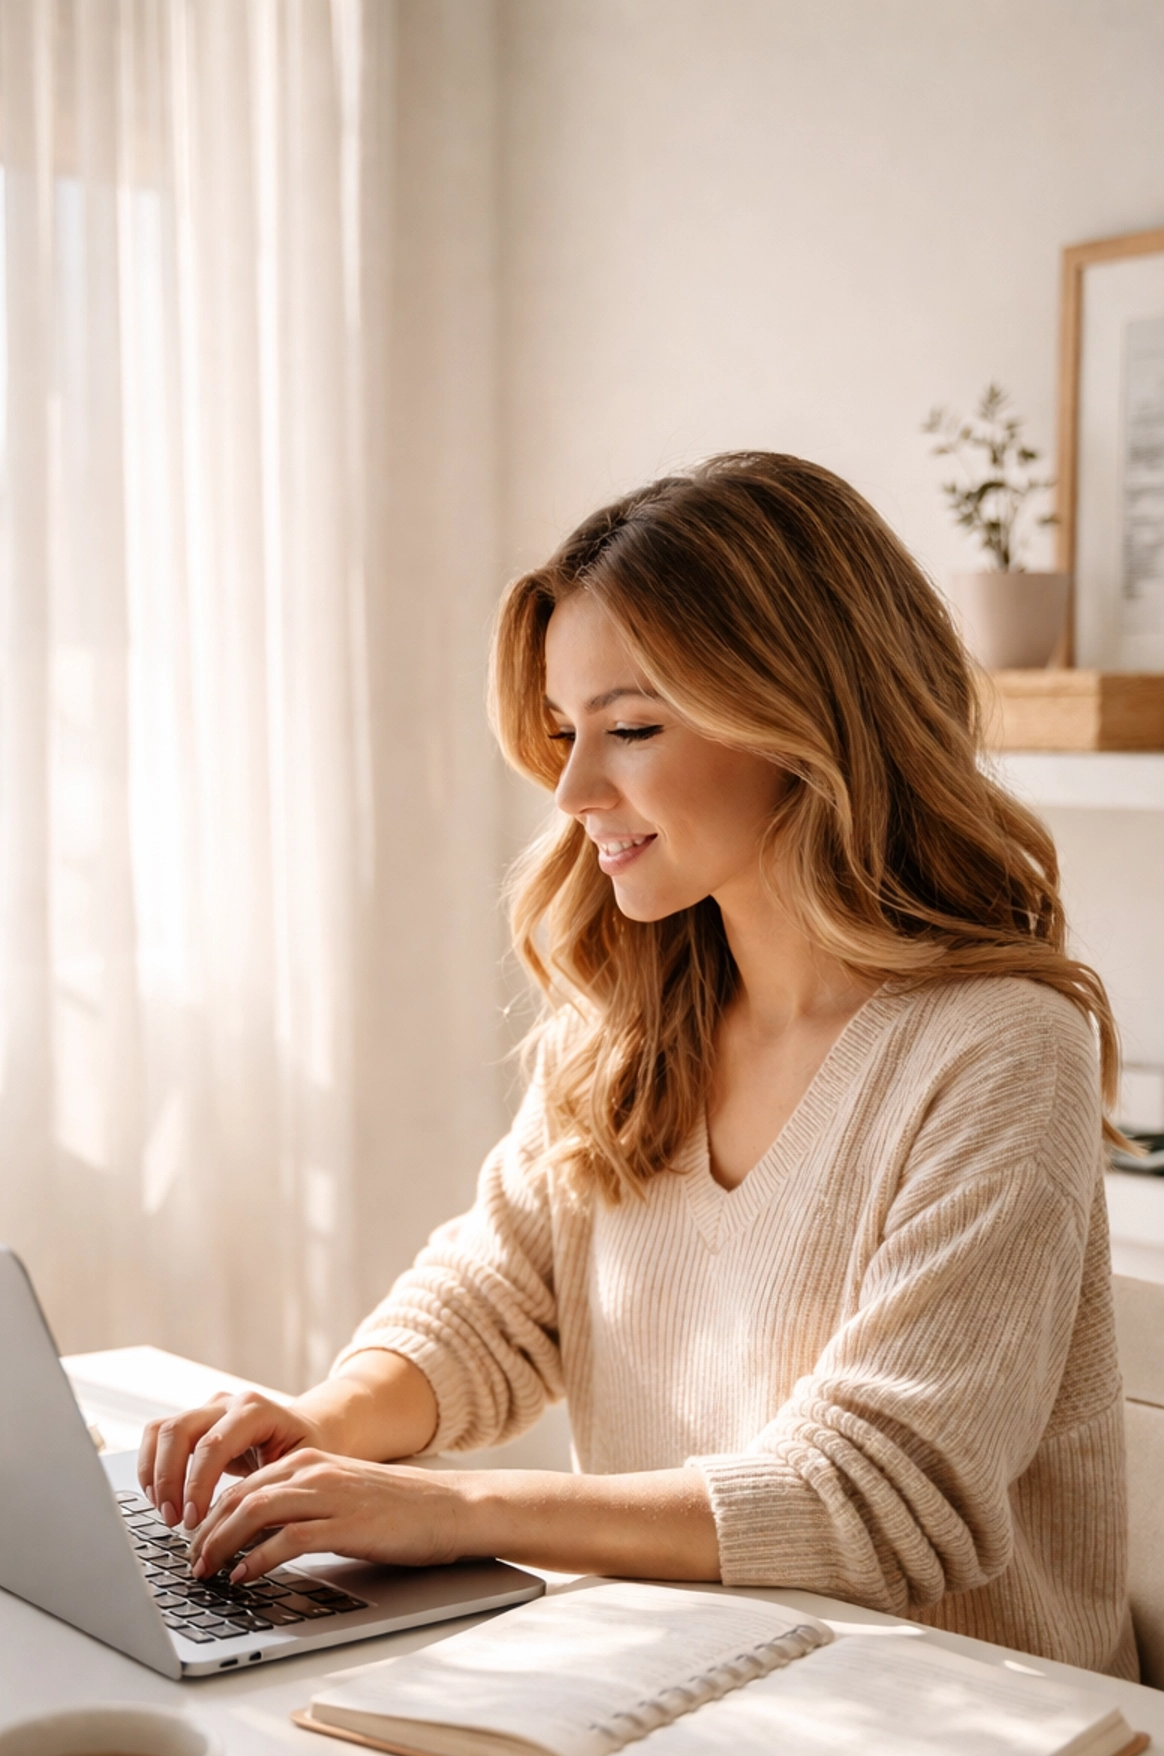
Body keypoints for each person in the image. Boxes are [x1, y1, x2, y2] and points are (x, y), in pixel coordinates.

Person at [140, 452, 1137, 1678]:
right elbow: (498, 1298)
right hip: (687, 1680)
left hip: (973, 1726)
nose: (571, 788)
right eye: (566, 733)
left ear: (808, 719)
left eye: (630, 729)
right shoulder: (631, 1020)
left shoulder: (1000, 1049)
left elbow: (880, 1495)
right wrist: (321, 1423)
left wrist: (454, 1511)